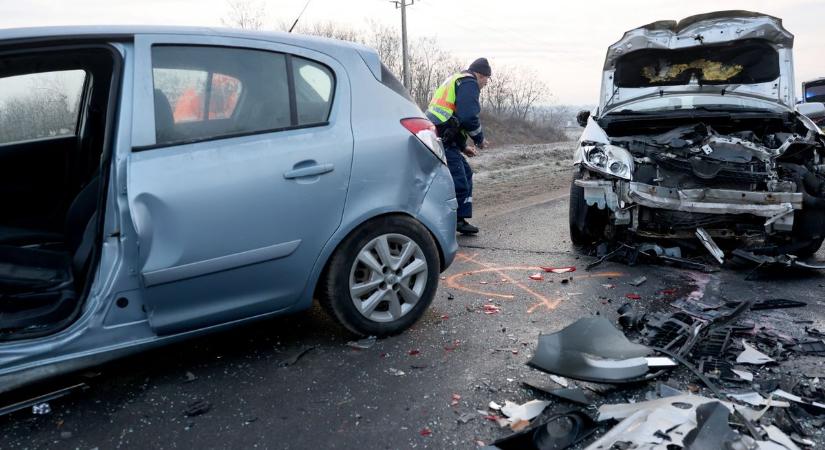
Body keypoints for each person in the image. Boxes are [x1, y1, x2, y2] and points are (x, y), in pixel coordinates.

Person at [426, 58, 491, 235]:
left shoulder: (457, 79)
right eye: (486, 78)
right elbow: (468, 117)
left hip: (442, 137)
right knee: (458, 181)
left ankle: (459, 219)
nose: (485, 83)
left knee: (465, 174)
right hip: (442, 140)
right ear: (479, 74)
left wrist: (463, 147)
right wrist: (479, 139)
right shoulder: (469, 83)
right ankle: (447, 221)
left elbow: (451, 120)